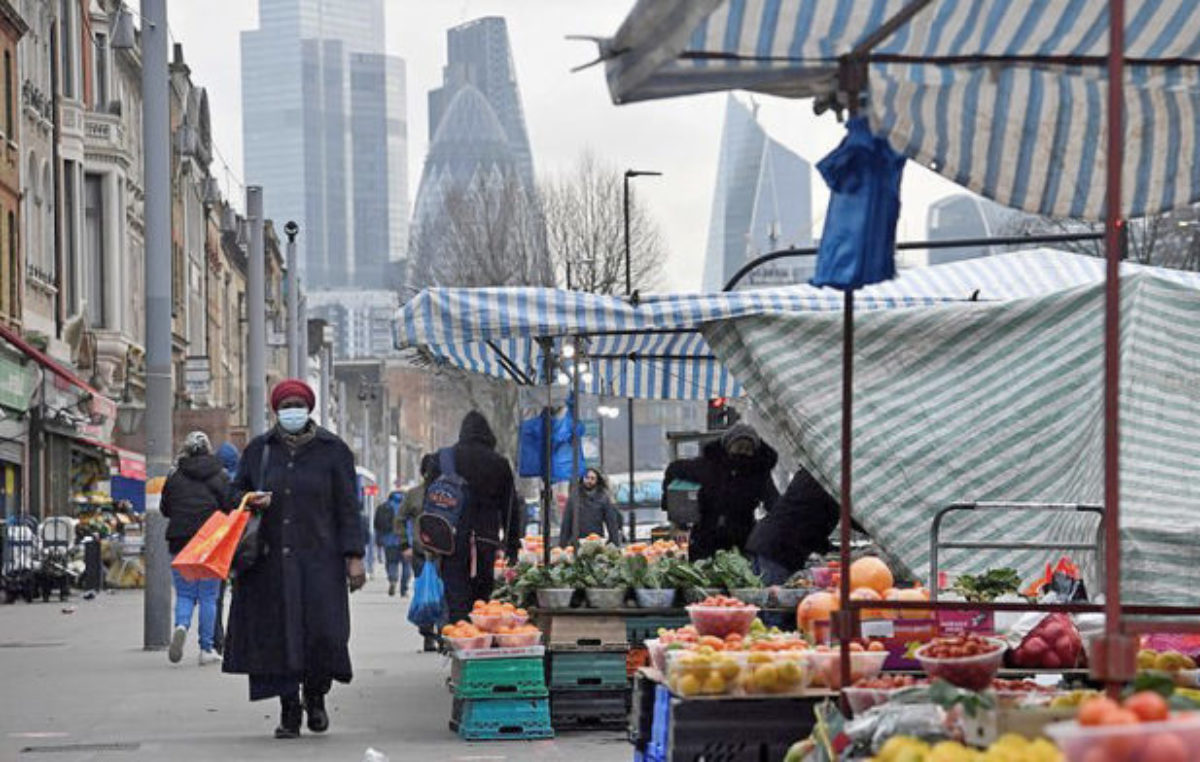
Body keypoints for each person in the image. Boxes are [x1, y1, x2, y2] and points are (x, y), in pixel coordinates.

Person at [223, 379, 365, 740]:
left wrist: (354, 556)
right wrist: (250, 498)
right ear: (276, 410)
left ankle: (315, 696)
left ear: (309, 408)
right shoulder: (259, 450)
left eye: (297, 404)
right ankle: (289, 709)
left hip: (320, 561)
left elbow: (349, 508)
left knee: (324, 634)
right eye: (285, 405)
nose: (291, 410)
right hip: (270, 564)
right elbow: (234, 494)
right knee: (278, 637)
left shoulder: (334, 451)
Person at [429, 412, 522, 624]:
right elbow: (511, 509)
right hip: (485, 542)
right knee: (483, 601)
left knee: (456, 600)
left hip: (450, 543)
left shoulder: (443, 459)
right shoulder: (499, 463)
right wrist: (512, 547)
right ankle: (479, 640)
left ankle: (460, 637)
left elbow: (431, 503)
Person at [662, 423, 779, 562]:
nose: (743, 452)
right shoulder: (707, 466)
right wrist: (671, 507)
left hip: (741, 542)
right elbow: (674, 470)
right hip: (705, 540)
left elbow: (774, 504)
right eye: (739, 447)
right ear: (728, 446)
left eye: (748, 449)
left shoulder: (758, 474)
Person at [161, 431, 229, 667]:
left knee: (185, 594)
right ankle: (206, 649)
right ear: (209, 450)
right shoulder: (220, 475)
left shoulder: (174, 475)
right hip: (210, 543)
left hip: (180, 541)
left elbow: (165, 509)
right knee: (209, 596)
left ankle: (181, 625)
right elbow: (228, 508)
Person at [745, 466, 841, 585]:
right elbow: (806, 516)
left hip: (773, 545)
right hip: (777, 550)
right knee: (773, 598)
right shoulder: (824, 478)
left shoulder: (820, 474)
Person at [399, 454, 438, 652]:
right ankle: (428, 634)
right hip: (420, 554)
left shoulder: (446, 494)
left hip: (444, 554)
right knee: (425, 594)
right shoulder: (413, 494)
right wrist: (404, 544)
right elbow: (399, 519)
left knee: (443, 594)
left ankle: (443, 633)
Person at [212, 441, 240, 655]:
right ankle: (235, 640)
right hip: (238, 545)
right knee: (240, 595)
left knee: (214, 596)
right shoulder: (239, 480)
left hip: (215, 544)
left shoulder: (214, 479)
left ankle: (216, 639)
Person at [559, 467, 623, 547]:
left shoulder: (603, 498)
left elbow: (611, 522)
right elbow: (566, 522)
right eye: (587, 477)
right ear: (582, 478)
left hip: (596, 540)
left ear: (597, 480)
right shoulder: (574, 497)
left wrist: (614, 543)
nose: (589, 481)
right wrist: (563, 545)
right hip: (576, 541)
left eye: (592, 478)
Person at [375, 488, 406, 597]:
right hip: (405, 540)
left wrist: (378, 540)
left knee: (391, 563)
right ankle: (404, 589)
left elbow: (377, 525)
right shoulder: (407, 506)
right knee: (406, 565)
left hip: (388, 540)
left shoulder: (383, 507)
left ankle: (393, 580)